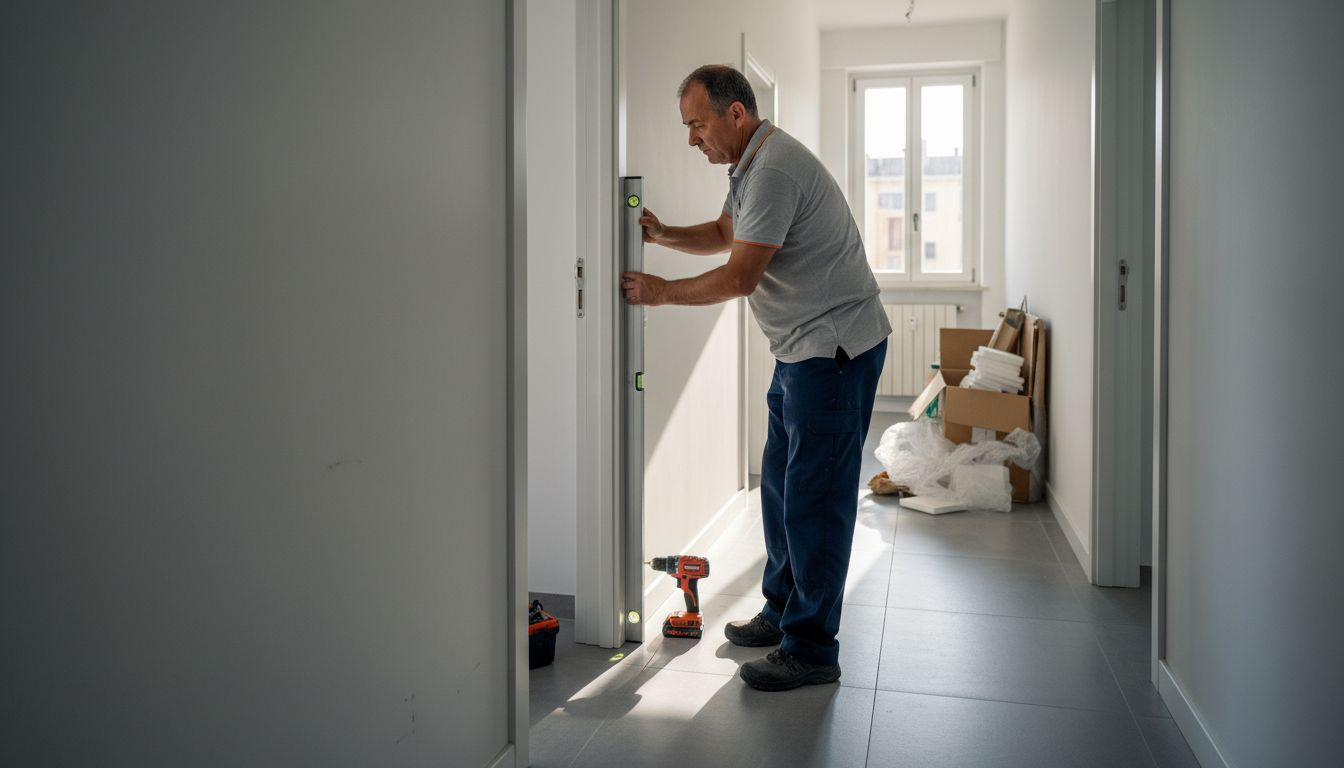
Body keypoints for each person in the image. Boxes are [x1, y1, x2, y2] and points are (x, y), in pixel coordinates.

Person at [621, 64, 890, 692]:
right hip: (800, 349)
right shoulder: (748, 166)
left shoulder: (771, 170)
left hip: (834, 351)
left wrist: (659, 293)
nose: (692, 138)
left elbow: (741, 276)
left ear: (735, 114)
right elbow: (724, 234)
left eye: (697, 124)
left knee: (815, 503)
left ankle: (813, 648)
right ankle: (783, 608)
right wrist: (660, 235)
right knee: (779, 485)